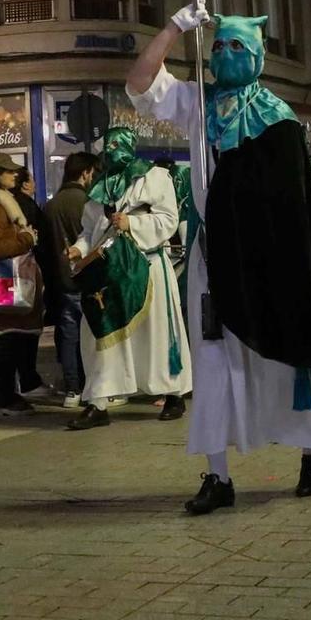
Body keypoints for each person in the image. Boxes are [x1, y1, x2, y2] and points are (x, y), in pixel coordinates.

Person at [128, 5, 311, 514]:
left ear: (258, 57)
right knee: (211, 365)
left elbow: (290, 204)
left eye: (238, 47)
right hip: (212, 259)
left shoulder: (279, 119)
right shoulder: (198, 103)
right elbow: (141, 83)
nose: (227, 55)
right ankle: (217, 475)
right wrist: (175, 27)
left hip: (268, 260)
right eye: (221, 46)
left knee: (284, 358)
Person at [65, 127, 191, 429]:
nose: (113, 149)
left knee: (158, 333)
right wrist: (78, 249)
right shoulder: (100, 186)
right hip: (109, 274)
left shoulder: (155, 177)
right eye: (109, 145)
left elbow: (168, 220)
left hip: (147, 268)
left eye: (119, 144)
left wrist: (132, 223)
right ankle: (98, 400)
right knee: (99, 334)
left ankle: (173, 393)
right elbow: (89, 231)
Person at [0, 155, 43, 415]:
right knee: (3, 341)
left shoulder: (1, 203)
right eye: (8, 171)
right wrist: (26, 239)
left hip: (6, 282)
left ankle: (7, 396)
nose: (15, 175)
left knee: (11, 340)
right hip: (2, 282)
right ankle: (2, 399)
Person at [40, 153, 97, 407]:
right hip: (86, 279)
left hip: (61, 280)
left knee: (68, 335)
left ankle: (72, 389)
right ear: (85, 172)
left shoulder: (52, 205)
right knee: (90, 336)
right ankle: (90, 387)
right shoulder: (87, 202)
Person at [11, 170, 49, 396]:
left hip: (16, 275)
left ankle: (23, 380)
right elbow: (35, 240)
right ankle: (26, 380)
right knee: (24, 328)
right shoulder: (22, 206)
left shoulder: (11, 204)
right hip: (22, 274)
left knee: (16, 328)